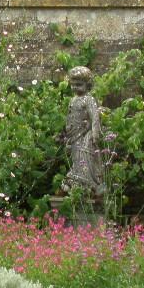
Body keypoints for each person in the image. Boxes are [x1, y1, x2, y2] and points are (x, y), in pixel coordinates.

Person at [62, 66, 105, 198]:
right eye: (73, 85)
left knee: (84, 157)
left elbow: (95, 117)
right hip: (74, 135)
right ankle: (77, 182)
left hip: (85, 135)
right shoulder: (73, 100)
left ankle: (87, 183)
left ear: (88, 84)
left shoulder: (88, 99)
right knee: (76, 158)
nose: (75, 88)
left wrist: (95, 133)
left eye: (79, 85)